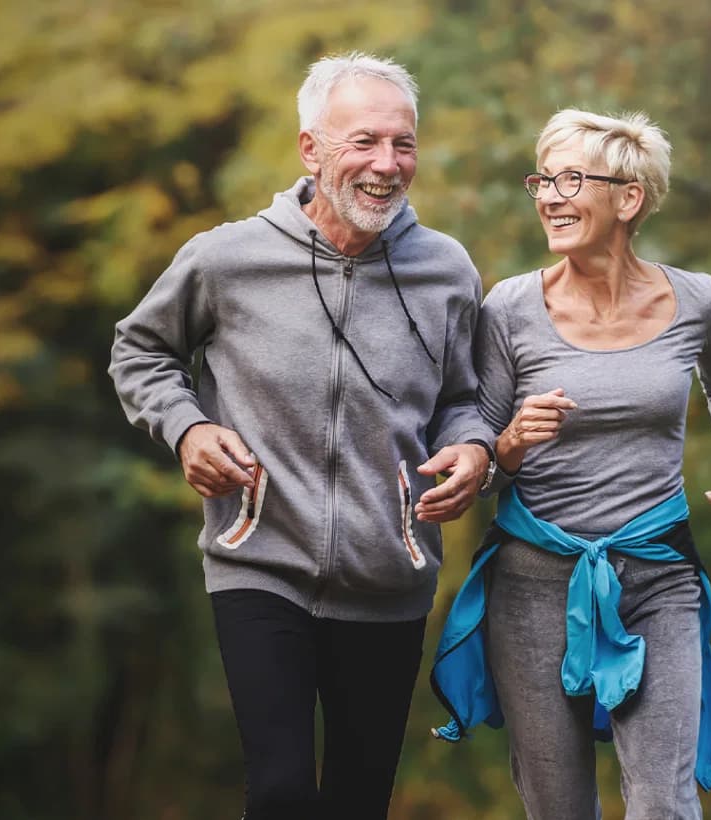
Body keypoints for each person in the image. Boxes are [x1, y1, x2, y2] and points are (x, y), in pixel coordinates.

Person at [108, 52, 496, 820]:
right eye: (365, 142)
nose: (388, 164)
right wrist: (187, 430)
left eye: (404, 144)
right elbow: (140, 350)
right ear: (310, 149)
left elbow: (470, 395)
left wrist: (476, 450)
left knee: (358, 799)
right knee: (282, 790)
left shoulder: (447, 270)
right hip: (259, 562)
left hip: (391, 574)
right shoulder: (227, 259)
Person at [430, 109, 711, 820]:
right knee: (559, 807)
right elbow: (481, 448)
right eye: (542, 180)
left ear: (628, 198)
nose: (548, 195)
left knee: (664, 803)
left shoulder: (695, 299)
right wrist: (514, 440)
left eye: (571, 179)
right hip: (533, 584)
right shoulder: (511, 307)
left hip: (657, 576)